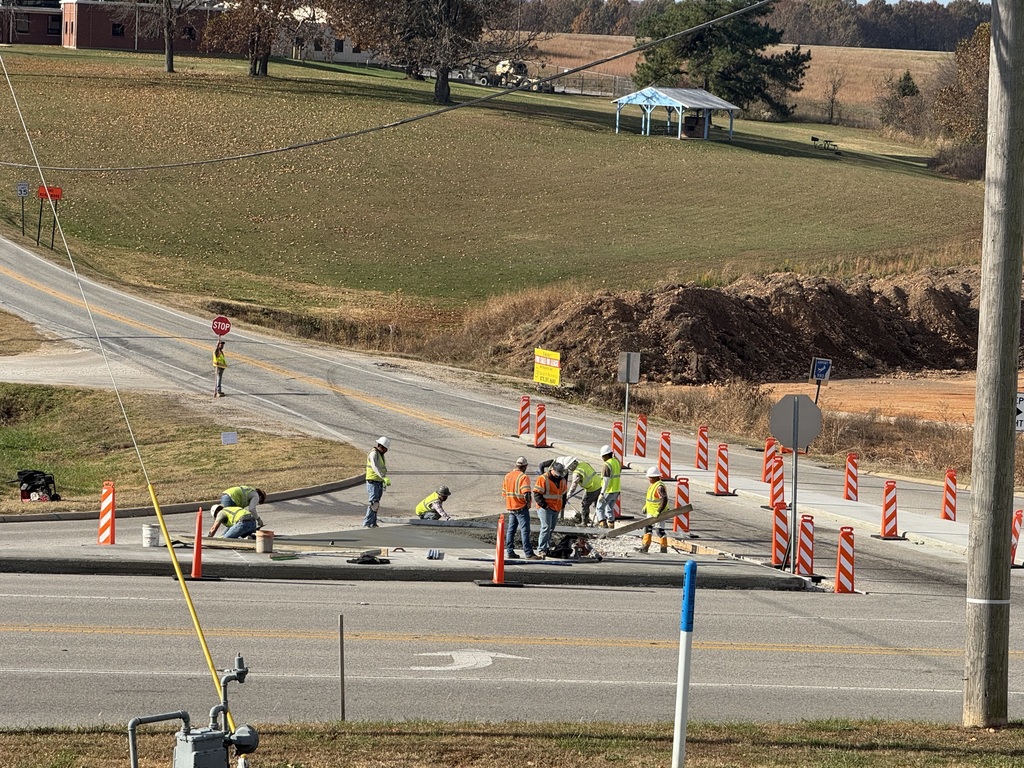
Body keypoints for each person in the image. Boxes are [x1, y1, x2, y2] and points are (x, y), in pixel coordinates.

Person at [502, 456, 541, 560]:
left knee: (511, 530)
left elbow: (504, 493)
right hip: (520, 507)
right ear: (525, 466)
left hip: (511, 507)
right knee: (525, 530)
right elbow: (526, 493)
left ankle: (510, 552)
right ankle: (528, 553)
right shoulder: (523, 477)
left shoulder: (508, 476)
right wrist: (528, 504)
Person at [533, 461, 567, 557]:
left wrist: (562, 505)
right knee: (546, 527)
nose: (558, 476)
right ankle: (541, 549)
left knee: (551, 528)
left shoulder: (562, 480)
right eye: (557, 473)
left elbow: (563, 494)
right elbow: (537, 494)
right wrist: (544, 505)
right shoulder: (543, 478)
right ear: (552, 470)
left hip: (556, 508)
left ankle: (546, 547)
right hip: (545, 508)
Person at [640, 466, 669, 553]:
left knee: (659, 531)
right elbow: (651, 499)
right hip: (651, 512)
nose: (649, 479)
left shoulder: (659, 487)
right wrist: (646, 506)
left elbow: (664, 500)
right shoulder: (653, 485)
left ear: (655, 477)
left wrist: (658, 511)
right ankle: (645, 547)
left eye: (650, 477)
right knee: (648, 529)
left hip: (658, 513)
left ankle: (663, 549)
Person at [363, 436, 391, 528]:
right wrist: (383, 477)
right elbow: (375, 467)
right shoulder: (373, 454)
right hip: (372, 481)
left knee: (376, 503)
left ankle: (373, 523)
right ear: (381, 446)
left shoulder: (380, 454)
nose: (386, 451)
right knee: (373, 503)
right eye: (386, 448)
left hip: (378, 482)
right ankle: (367, 523)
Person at [567, 457, 602, 527]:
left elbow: (574, 485)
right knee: (597, 504)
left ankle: (584, 523)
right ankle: (600, 521)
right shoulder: (584, 464)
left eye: (569, 467)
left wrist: (568, 495)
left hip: (592, 488)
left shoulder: (576, 472)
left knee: (584, 504)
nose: (569, 469)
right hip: (599, 484)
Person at [595, 445, 622, 529]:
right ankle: (611, 526)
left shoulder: (607, 465)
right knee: (609, 508)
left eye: (603, 456)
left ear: (606, 455)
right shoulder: (616, 462)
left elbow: (606, 480)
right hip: (616, 490)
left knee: (599, 508)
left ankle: (603, 527)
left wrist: (602, 493)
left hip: (608, 490)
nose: (602, 458)